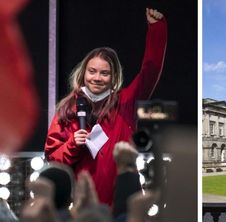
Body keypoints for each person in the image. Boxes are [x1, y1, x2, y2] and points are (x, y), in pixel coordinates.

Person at [44, 8, 167, 205]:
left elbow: (150, 71)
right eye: (92, 71)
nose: (97, 78)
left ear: (114, 78)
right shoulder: (67, 109)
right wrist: (72, 144)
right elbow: (52, 160)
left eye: (104, 73)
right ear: (84, 72)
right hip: (81, 206)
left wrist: (157, 30)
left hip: (121, 204)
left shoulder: (125, 102)